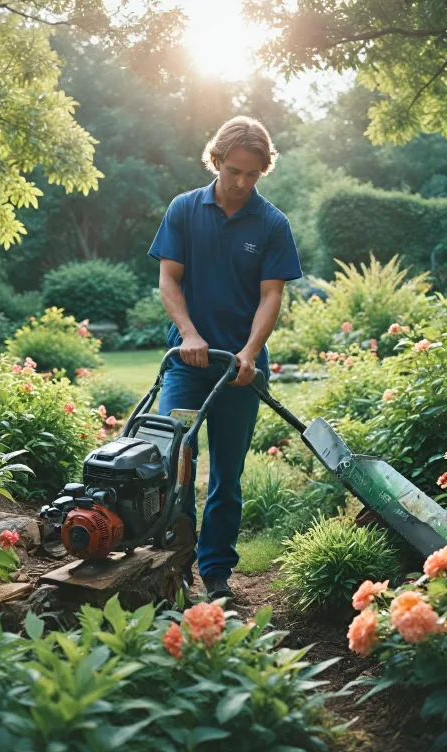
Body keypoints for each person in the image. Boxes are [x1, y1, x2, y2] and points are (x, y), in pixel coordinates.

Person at [148, 116, 302, 600]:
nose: (241, 182)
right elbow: (168, 280)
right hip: (186, 363)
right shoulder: (184, 210)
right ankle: (173, 565)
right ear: (216, 161)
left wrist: (250, 353)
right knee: (174, 460)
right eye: (234, 170)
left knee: (227, 474)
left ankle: (215, 574)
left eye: (252, 174)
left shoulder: (272, 223)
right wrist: (190, 334)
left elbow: (271, 295)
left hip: (240, 369)